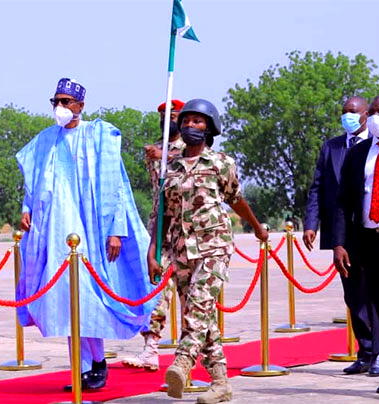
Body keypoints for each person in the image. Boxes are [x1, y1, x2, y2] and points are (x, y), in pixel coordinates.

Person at [16, 78, 157, 391]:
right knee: (66, 298)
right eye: (56, 101)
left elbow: (117, 187)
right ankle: (83, 368)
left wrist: (116, 232)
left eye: (66, 102)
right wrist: (26, 209)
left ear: (80, 105)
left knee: (89, 297)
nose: (60, 107)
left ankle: (95, 362)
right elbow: (33, 183)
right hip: (56, 233)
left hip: (92, 232)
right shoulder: (45, 140)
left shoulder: (99, 136)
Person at [148, 99, 268, 403]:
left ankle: (182, 362)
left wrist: (255, 226)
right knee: (202, 317)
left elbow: (236, 199)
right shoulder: (169, 168)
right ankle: (220, 382)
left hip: (213, 246)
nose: (190, 126)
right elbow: (162, 213)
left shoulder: (220, 162)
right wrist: (154, 251)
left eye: (198, 121)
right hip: (181, 249)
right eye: (186, 121)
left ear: (210, 127)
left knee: (198, 309)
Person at [305, 96, 379, 376]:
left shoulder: (377, 148)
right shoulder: (334, 147)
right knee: (354, 296)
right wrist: (311, 223)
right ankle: (364, 351)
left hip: (373, 232)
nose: (348, 116)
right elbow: (319, 188)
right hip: (344, 233)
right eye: (344, 112)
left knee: (375, 295)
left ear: (364, 114)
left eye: (353, 112)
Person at [123, 98, 186, 371]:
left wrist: (164, 155)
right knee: (158, 289)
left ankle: (193, 351)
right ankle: (151, 347)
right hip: (162, 226)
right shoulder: (155, 150)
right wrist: (160, 154)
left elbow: (186, 160)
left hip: (191, 228)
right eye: (164, 115)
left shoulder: (192, 148)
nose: (167, 119)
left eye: (173, 115)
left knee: (191, 294)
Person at [334, 94, 379, 395]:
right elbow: (342, 203)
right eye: (377, 112)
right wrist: (340, 243)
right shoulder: (359, 154)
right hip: (368, 238)